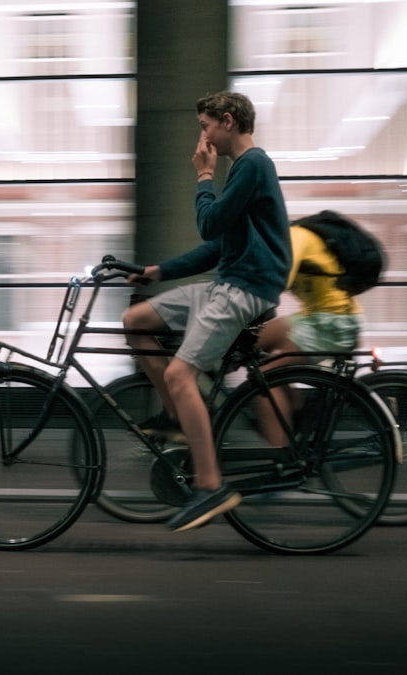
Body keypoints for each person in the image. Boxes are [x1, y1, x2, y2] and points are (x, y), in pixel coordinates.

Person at [123, 90, 292, 532]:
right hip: (227, 284)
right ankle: (180, 418)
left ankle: (210, 485)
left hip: (243, 291)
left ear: (228, 121)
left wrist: (202, 177)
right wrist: (157, 272)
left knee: (180, 374)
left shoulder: (252, 165)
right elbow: (218, 244)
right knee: (135, 321)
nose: (202, 135)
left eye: (205, 125)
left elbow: (209, 222)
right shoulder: (245, 170)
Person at [252, 221, 365, 447]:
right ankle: (295, 403)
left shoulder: (297, 237)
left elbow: (275, 282)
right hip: (319, 318)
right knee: (250, 344)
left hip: (332, 323)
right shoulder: (289, 240)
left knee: (263, 379)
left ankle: (281, 457)